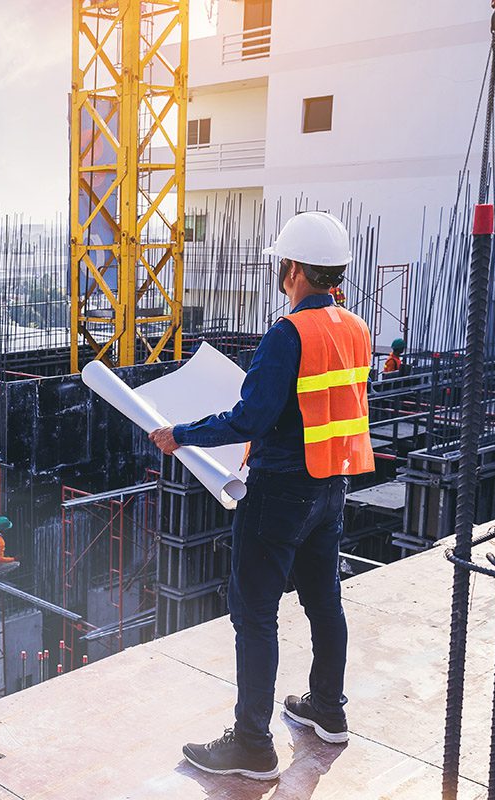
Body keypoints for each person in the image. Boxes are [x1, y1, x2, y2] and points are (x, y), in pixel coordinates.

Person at [149, 211, 375, 780]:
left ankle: (251, 744)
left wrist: (182, 434)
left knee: (253, 614)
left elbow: (253, 416)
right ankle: (327, 707)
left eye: (283, 263)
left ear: (294, 268)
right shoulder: (354, 327)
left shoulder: (287, 334)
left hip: (278, 492)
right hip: (331, 487)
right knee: (323, 599)